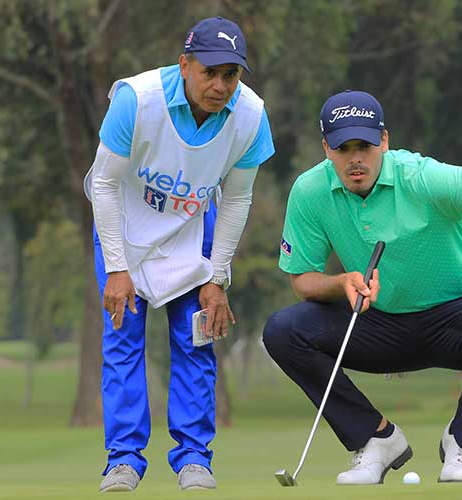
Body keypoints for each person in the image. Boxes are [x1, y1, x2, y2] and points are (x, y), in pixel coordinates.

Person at [263, 90, 462, 485]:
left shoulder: (421, 177)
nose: (355, 158)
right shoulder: (310, 192)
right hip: (377, 323)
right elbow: (302, 279)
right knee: (284, 331)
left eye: (365, 146)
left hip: (455, 319)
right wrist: (342, 282)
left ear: (384, 141)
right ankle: (374, 439)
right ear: (326, 148)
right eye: (343, 148)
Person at [83, 16, 274, 492]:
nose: (220, 85)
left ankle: (194, 458)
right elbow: (104, 184)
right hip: (123, 228)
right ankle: (123, 460)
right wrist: (117, 268)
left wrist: (218, 276)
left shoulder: (250, 115)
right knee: (123, 342)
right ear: (184, 64)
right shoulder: (137, 99)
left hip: (193, 228)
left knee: (197, 341)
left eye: (231, 74)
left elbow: (237, 199)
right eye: (209, 71)